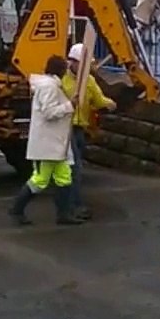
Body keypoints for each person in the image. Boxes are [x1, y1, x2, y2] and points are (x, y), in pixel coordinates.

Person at [8, 55, 81, 226]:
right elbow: (49, 112)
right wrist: (69, 106)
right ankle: (17, 209)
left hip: (53, 144)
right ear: (60, 70)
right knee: (40, 180)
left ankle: (64, 214)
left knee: (63, 177)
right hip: (48, 144)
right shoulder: (49, 87)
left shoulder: (48, 85)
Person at [63, 42, 116, 220]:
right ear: (73, 62)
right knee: (75, 168)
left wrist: (109, 103)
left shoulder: (89, 80)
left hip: (79, 128)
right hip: (65, 128)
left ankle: (67, 205)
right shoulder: (61, 80)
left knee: (71, 169)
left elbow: (98, 98)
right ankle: (74, 206)